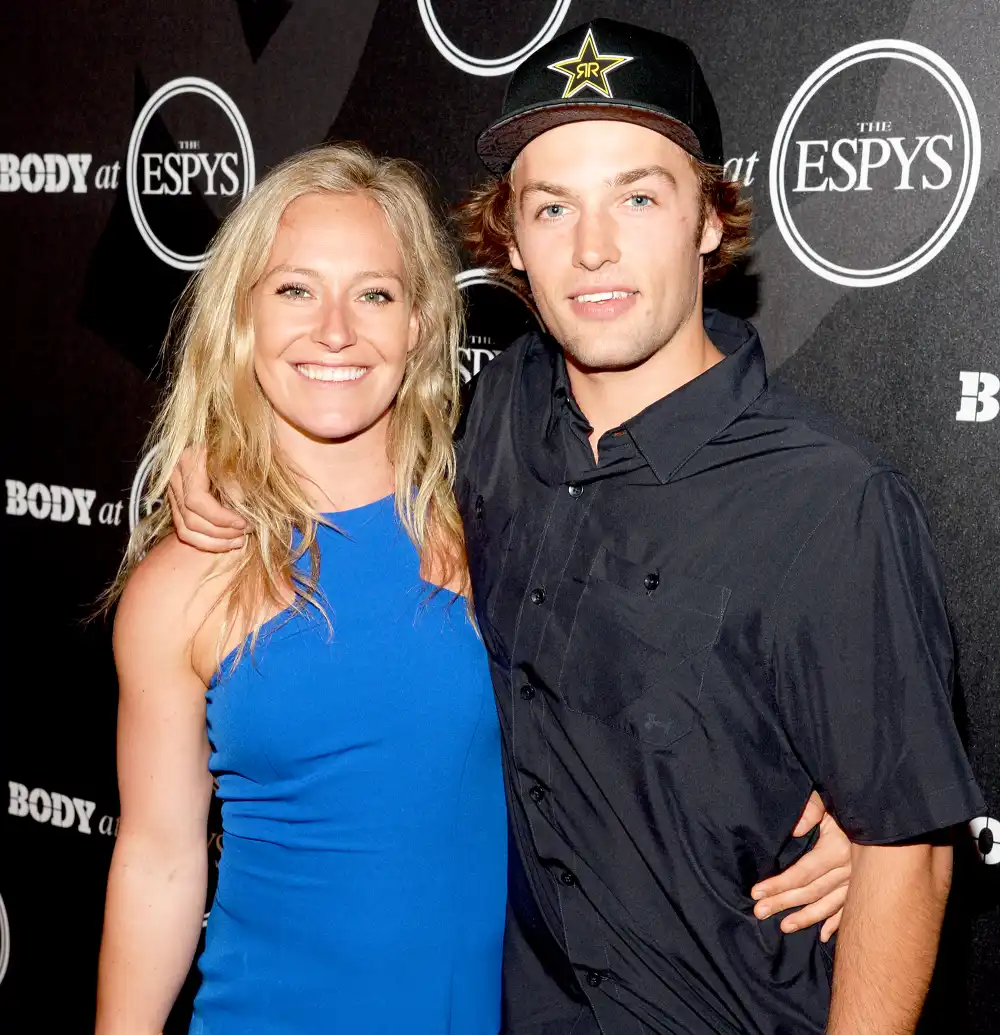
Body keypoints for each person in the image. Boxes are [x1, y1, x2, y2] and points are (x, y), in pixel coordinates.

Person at [164, 25, 887, 1031]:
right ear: (510, 239)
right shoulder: (502, 419)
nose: (592, 247)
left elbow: (907, 836)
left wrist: (881, 834)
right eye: (554, 208)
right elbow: (350, 467)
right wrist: (220, 464)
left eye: (636, 197)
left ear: (709, 221)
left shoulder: (823, 494)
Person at [95, 143, 508, 1035]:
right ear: (241, 318)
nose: (334, 330)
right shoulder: (185, 581)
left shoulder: (496, 536)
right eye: (294, 290)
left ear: (422, 325)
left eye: (374, 293)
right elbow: (160, 860)